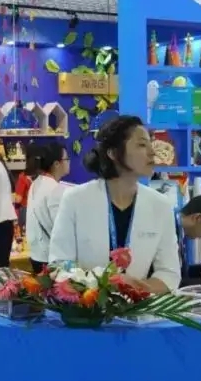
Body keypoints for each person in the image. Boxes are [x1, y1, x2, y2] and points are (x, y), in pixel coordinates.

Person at [48, 115, 181, 294]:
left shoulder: (161, 205)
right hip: (86, 305)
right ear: (113, 153)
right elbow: (59, 265)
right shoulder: (75, 199)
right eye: (142, 145)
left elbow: (169, 273)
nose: (152, 152)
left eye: (151, 143)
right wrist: (101, 284)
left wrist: (136, 289)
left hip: (139, 308)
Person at [25, 142, 72, 273]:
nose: (69, 162)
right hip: (50, 257)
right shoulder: (55, 188)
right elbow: (60, 227)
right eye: (67, 159)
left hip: (37, 253)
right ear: (56, 164)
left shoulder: (37, 183)